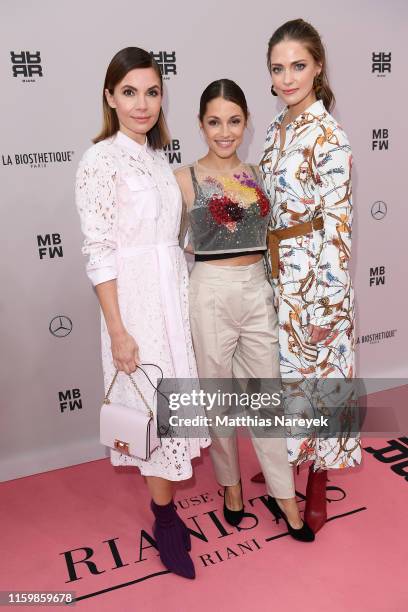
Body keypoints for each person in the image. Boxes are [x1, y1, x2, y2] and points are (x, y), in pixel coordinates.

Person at [75, 47, 210, 579]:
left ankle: (165, 508)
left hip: (170, 301)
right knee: (154, 418)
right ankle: (165, 517)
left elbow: (169, 238)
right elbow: (99, 250)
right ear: (109, 97)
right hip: (133, 307)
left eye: (152, 92)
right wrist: (117, 330)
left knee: (172, 410)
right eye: (129, 92)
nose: (142, 103)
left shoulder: (156, 159)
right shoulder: (99, 160)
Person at [175, 79, 314, 542]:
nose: (224, 131)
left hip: (257, 290)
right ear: (200, 124)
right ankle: (230, 486)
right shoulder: (183, 179)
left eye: (233, 121)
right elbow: (166, 250)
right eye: (214, 122)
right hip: (209, 290)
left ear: (247, 123)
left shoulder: (258, 173)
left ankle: (284, 495)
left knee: (265, 399)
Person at [251, 19, 362, 532]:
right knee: (285, 377)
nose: (288, 77)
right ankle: (287, 458)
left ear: (317, 67)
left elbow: (339, 223)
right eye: (279, 68)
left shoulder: (328, 134)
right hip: (277, 275)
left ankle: (318, 475)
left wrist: (331, 304)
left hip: (318, 281)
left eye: (298, 65)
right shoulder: (275, 130)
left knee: (319, 379)